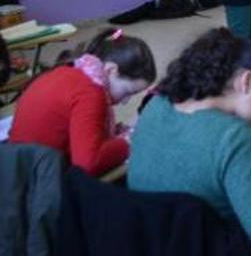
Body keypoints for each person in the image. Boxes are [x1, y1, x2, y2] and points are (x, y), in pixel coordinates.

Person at [128, 28, 251, 250]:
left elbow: (188, 157)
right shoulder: (234, 134)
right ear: (247, 81)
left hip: (150, 238)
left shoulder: (157, 104)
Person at [9, 28, 156, 176]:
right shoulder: (90, 93)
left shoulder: (74, 71)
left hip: (18, 164)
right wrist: (132, 141)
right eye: (127, 92)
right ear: (110, 70)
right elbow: (89, 163)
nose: (125, 102)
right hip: (36, 181)